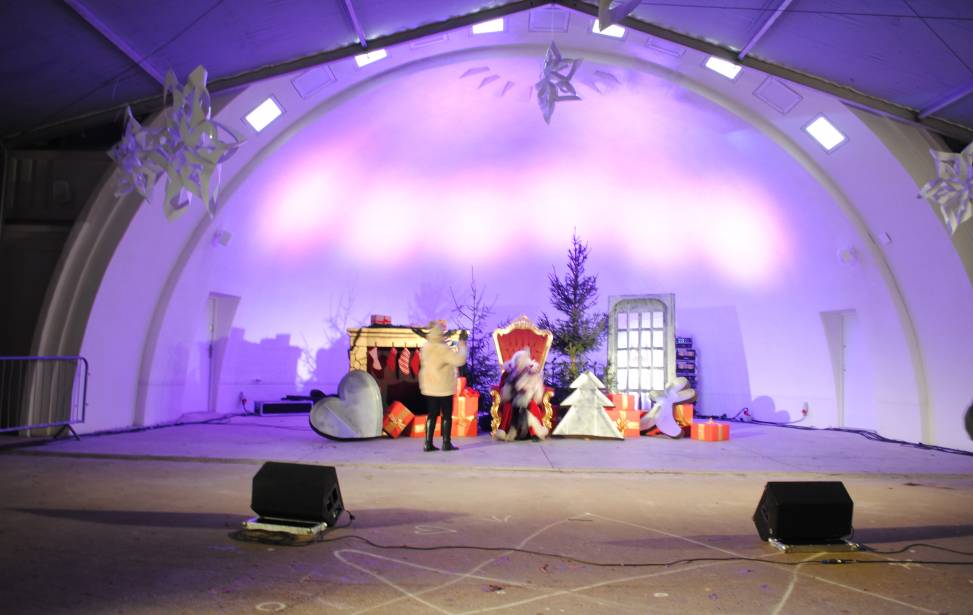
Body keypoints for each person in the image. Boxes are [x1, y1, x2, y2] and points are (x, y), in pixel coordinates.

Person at [418, 320, 468, 452]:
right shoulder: (442, 349)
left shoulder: (426, 347)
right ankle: (446, 443)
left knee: (432, 415)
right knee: (446, 415)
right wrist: (462, 345)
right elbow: (459, 360)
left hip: (430, 387)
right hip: (443, 387)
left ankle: (428, 443)